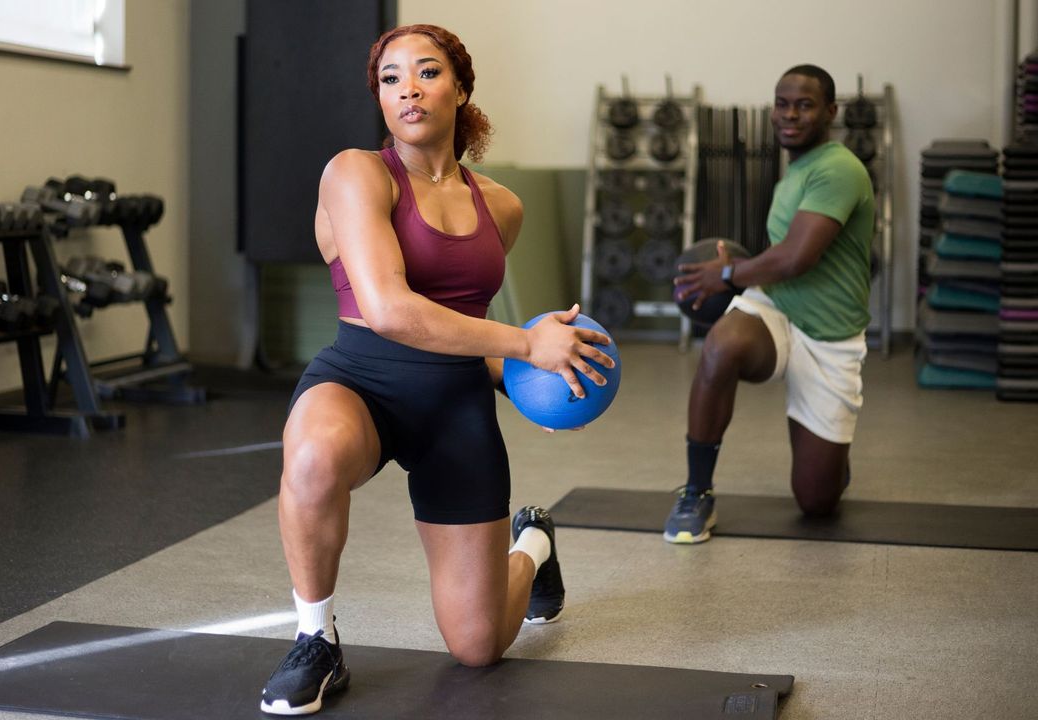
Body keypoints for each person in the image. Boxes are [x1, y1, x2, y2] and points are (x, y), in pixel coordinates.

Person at [258, 23, 616, 716]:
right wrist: (524, 346)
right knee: (312, 456)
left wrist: (531, 383)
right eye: (391, 79)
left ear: (460, 88)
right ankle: (315, 639)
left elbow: (467, 332)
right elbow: (390, 310)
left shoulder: (501, 207)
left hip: (455, 406)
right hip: (359, 382)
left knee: (478, 647)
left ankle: (534, 543)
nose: (408, 90)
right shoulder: (355, 174)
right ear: (380, 100)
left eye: (426, 73)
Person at [666, 64, 874, 544]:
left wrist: (727, 274)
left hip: (831, 337)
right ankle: (697, 491)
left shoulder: (838, 168)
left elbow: (798, 256)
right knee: (722, 345)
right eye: (782, 103)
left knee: (816, 502)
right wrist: (740, 273)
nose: (790, 115)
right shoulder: (795, 172)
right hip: (777, 308)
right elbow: (781, 261)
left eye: (804, 105)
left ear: (830, 112)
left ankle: (832, 462)